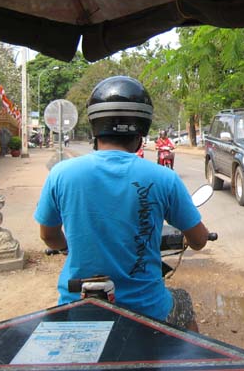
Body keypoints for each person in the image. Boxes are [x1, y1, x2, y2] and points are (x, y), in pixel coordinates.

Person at [34, 76, 210, 331]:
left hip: (78, 305)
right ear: (142, 131)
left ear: (95, 128)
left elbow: (49, 236)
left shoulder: (61, 174)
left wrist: (68, 248)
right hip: (148, 309)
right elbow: (200, 240)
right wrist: (192, 240)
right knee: (182, 300)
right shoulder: (164, 179)